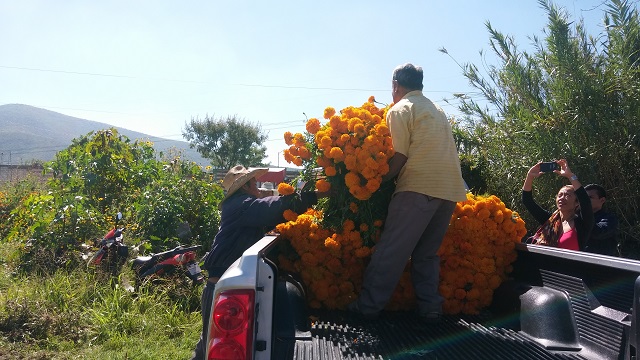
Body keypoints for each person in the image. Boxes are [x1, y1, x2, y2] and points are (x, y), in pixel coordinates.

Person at [347, 63, 468, 323]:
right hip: (448, 191)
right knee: (426, 254)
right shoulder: (437, 110)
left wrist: (375, 181)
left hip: (417, 188)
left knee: (391, 252)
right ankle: (431, 309)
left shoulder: (401, 109)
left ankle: (367, 308)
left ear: (395, 86)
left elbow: (399, 156)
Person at [191, 165, 325, 360]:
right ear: (245, 186)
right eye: (254, 182)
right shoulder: (240, 205)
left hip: (226, 283)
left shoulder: (243, 203)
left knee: (211, 341)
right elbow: (273, 208)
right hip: (219, 286)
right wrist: (315, 196)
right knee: (213, 344)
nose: (258, 186)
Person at [522, 159, 594, 251]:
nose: (562, 198)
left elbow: (585, 201)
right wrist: (530, 176)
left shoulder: (582, 223)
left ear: (577, 202)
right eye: (560, 195)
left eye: (567, 195)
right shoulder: (550, 221)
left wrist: (570, 176)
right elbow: (528, 201)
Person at [584, 183, 618, 256]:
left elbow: (597, 232)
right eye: (583, 197)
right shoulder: (575, 216)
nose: (585, 200)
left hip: (601, 264)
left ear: (602, 200)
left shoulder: (609, 219)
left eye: (590, 197)